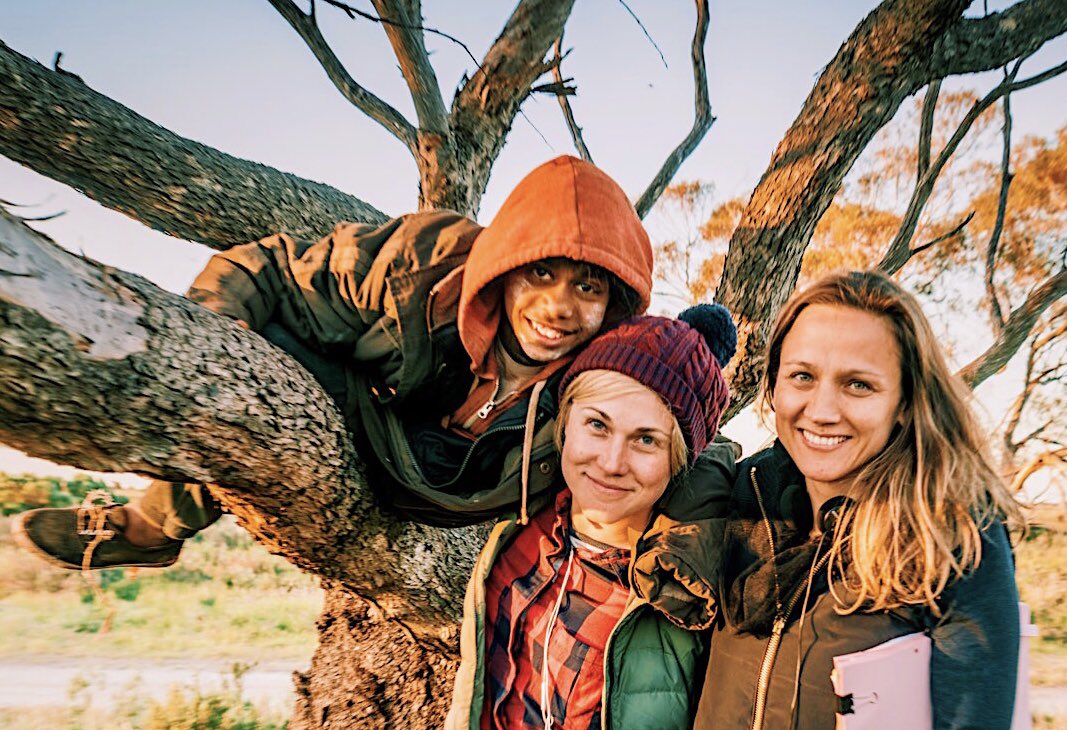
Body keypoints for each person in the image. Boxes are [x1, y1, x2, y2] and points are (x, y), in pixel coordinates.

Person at [650, 271, 1031, 730]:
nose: (820, 408)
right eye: (801, 376)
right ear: (772, 386)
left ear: (904, 401)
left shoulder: (954, 533)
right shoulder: (739, 503)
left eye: (857, 384)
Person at [12, 156, 652, 569]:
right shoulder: (419, 267)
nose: (558, 307)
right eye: (540, 272)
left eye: (587, 287)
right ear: (506, 267)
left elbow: (683, 441)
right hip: (372, 427)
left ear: (614, 299)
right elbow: (262, 270)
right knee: (269, 349)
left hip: (486, 502)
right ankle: (150, 527)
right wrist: (214, 355)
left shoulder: (617, 364)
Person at [435, 306, 742, 730]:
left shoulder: (684, 584)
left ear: (679, 457)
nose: (609, 460)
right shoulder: (511, 545)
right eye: (596, 426)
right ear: (564, 422)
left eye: (644, 441)